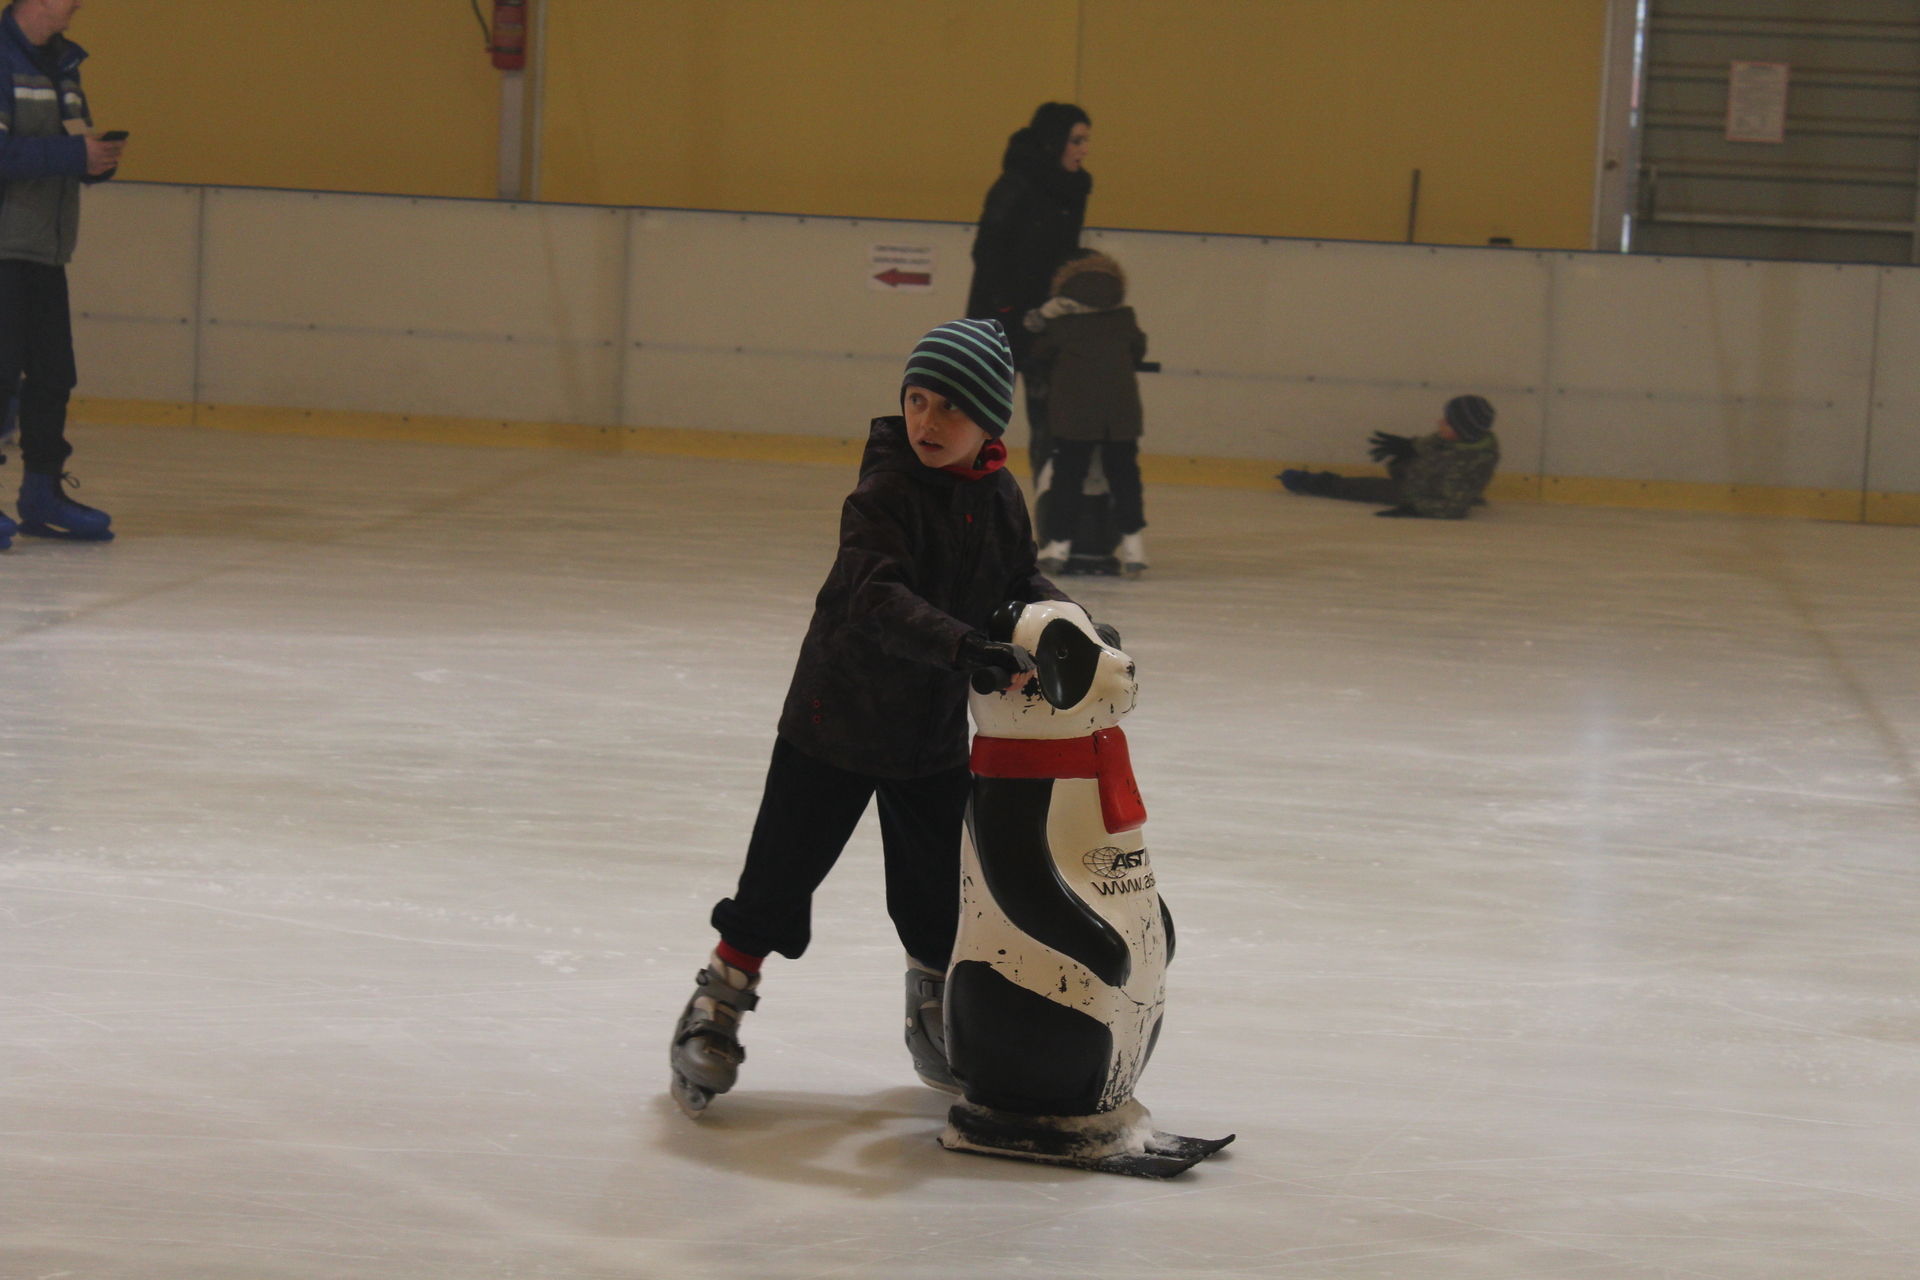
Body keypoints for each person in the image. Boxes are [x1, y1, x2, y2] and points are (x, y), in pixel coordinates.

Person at [668, 318, 1076, 1118]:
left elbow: (1017, 578)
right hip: (836, 722)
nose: (926, 423)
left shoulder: (999, 498)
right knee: (779, 877)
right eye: (917, 400)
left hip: (928, 737)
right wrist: (965, 647)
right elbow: (876, 596)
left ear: (990, 422)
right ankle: (718, 999)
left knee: (935, 897)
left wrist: (1067, 624)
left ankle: (934, 1014)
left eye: (949, 410)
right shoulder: (885, 488)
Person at [0, 0, 122, 550]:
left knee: (54, 374)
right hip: (2, 247)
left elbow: (67, 143)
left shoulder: (66, 65)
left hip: (47, 250)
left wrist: (94, 160)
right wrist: (71, 154)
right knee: (0, 374)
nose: (79, 4)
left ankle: (42, 493)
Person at [966, 102, 1092, 483]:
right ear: (1055, 142)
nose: (1084, 149)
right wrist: (1007, 302)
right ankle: (959, 510)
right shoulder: (1014, 184)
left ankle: (1053, 520)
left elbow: (1064, 254)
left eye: (1086, 141)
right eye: (1077, 140)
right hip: (997, 321)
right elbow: (987, 248)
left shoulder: (1075, 186)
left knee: (1050, 422)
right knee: (979, 421)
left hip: (1044, 323)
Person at [1025, 251, 1149, 577]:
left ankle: (1060, 545)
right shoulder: (1124, 318)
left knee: (1068, 478)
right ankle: (1134, 548)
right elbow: (1138, 348)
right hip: (1121, 414)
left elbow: (1040, 352)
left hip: (1075, 413)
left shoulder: (1059, 320)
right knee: (1125, 479)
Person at [1279, 395, 1500, 520]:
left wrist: (1415, 508)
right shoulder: (1458, 440)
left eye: (1447, 421)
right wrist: (1408, 445)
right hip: (1425, 478)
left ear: (1462, 430)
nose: (1439, 422)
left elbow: (1453, 510)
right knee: (1399, 463)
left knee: (1359, 488)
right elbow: (1432, 444)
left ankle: (1313, 483)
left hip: (1416, 495)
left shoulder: (1467, 466)